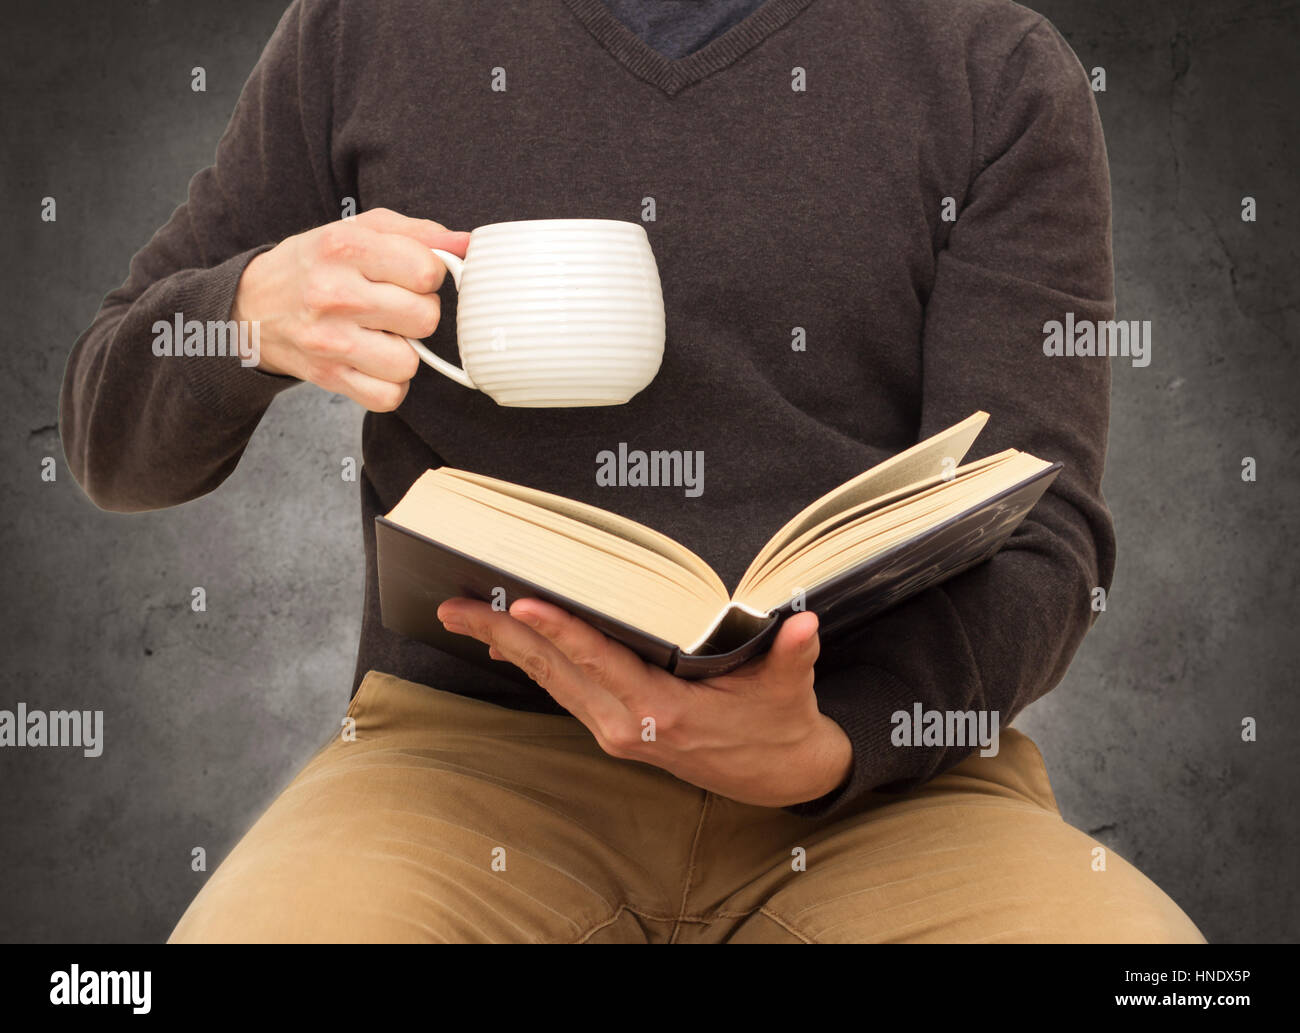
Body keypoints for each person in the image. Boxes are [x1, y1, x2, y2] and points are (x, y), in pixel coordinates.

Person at [60, 0, 1205, 942]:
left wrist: (841, 735)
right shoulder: (365, 31)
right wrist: (241, 312)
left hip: (890, 783)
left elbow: (1044, 532)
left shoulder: (992, 66)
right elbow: (106, 437)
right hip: (465, 762)